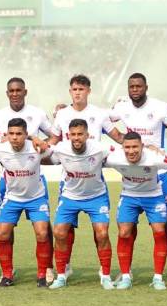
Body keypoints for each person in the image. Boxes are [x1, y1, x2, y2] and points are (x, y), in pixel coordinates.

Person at [112, 73, 167, 281]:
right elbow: (102, 122)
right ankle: (125, 271)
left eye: (139, 86)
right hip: (134, 171)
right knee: (127, 226)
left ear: (146, 87)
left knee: (165, 226)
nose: (135, 89)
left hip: (160, 174)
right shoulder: (121, 107)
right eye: (132, 86)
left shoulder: (160, 107)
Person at [49, 74, 122, 281]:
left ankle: (104, 271)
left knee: (100, 231)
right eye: (74, 89)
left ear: (88, 91)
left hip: (94, 178)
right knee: (63, 230)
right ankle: (66, 267)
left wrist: (142, 143)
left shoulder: (98, 114)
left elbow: (117, 137)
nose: (78, 92)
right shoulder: (62, 114)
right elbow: (53, 141)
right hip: (69, 180)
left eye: (81, 89)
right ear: (70, 91)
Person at [0, 77, 52, 280]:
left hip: (36, 193)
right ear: (7, 93)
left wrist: (41, 142)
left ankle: (45, 271)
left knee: (43, 231)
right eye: (11, 90)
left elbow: (57, 141)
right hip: (11, 192)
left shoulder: (37, 115)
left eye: (18, 90)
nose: (15, 93)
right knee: (3, 232)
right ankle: (7, 273)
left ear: (25, 91)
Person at [46, 118, 114, 289]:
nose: (76, 138)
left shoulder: (100, 148)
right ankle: (61, 275)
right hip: (70, 197)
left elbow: (123, 152)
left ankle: (105, 275)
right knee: (59, 233)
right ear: (68, 135)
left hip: (96, 197)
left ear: (87, 135)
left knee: (102, 234)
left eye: (80, 134)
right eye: (73, 135)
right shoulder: (61, 148)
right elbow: (43, 151)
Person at [104, 132, 167, 290]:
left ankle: (158, 278)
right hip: (129, 196)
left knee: (159, 232)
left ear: (142, 146)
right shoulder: (114, 158)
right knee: (124, 233)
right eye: (127, 147)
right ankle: (126, 277)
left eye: (135, 146)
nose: (131, 151)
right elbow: (92, 157)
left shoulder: (154, 157)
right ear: (122, 148)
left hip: (153, 196)